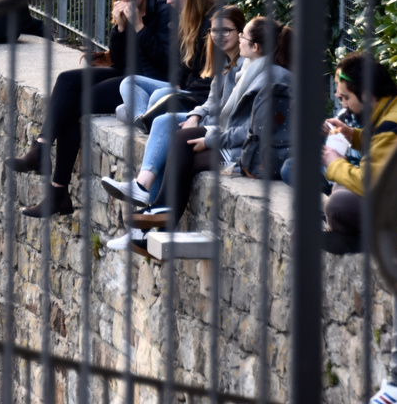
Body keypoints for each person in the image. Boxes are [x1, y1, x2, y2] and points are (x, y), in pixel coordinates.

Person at [7, 0, 172, 218]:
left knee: (74, 105)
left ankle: (57, 192)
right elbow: (118, 59)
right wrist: (119, 28)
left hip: (147, 83)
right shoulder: (126, 8)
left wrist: (139, 26)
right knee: (65, 80)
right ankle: (40, 150)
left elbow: (163, 65)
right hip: (128, 72)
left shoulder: (162, 7)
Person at [125, 17, 293, 249]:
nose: (240, 40)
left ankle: (154, 222)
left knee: (187, 145)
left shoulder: (272, 80)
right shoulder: (252, 71)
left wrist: (213, 139)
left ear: (255, 47)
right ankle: (155, 226)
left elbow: (254, 132)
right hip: (246, 147)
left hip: (258, 158)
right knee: (182, 139)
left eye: (243, 35)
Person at [320, 52, 397, 404]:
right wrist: (354, 136)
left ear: (368, 94)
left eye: (345, 97)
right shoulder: (396, 110)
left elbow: (376, 181)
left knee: (341, 201)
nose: (341, 101)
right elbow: (382, 147)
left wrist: (334, 164)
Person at [101, 5, 246, 211]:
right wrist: (196, 115)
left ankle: (144, 195)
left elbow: (232, 111)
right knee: (156, 121)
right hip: (209, 119)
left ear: (240, 32)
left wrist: (201, 120)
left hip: (224, 130)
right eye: (214, 30)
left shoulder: (244, 64)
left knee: (163, 123)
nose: (219, 36)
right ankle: (144, 202)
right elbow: (213, 100)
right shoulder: (222, 59)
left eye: (226, 30)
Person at [117, 0, 217, 127]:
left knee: (156, 97)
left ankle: (146, 118)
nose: (168, 0)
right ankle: (144, 119)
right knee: (128, 83)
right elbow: (179, 62)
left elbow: (210, 78)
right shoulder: (185, 16)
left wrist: (139, 28)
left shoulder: (213, 23)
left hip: (198, 96)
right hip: (183, 87)